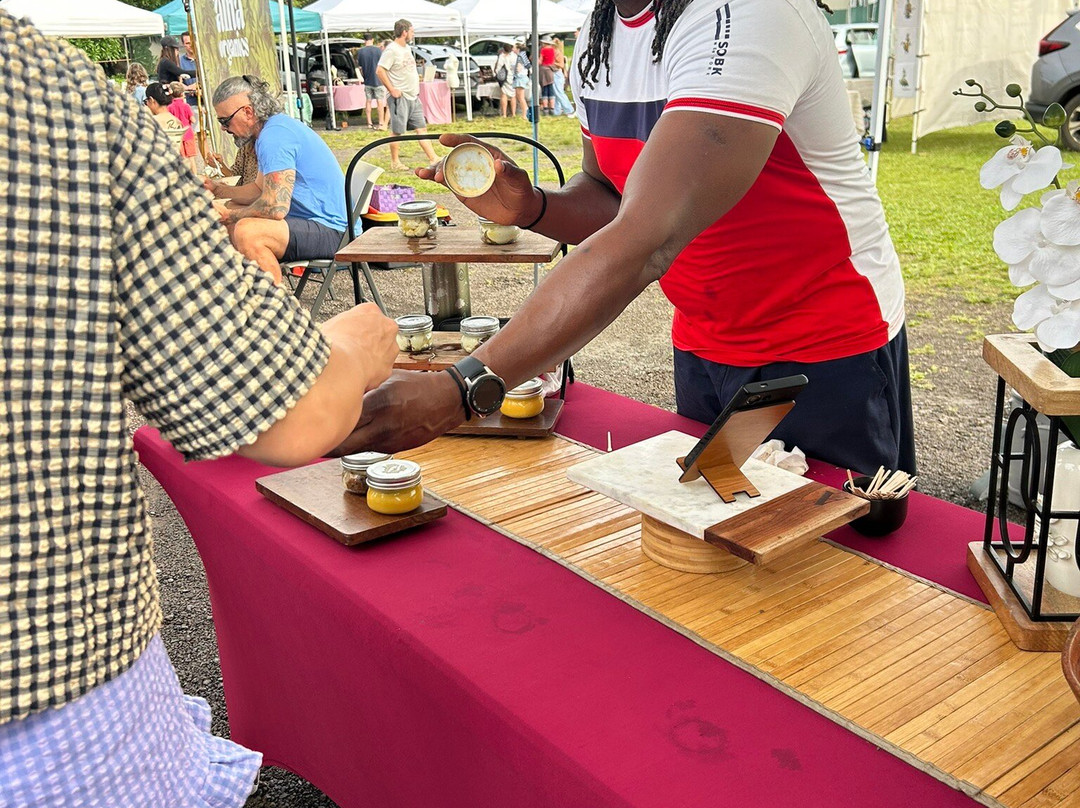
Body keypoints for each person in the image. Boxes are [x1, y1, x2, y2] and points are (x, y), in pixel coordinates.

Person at [0, 11, 400, 806]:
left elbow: (272, 202)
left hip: (323, 232)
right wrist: (344, 353)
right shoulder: (48, 96)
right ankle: (269, 327)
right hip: (62, 718)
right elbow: (289, 422)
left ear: (250, 109)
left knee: (250, 232)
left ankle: (273, 316)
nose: (229, 126)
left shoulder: (276, 134)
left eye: (231, 118)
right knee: (239, 227)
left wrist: (221, 207)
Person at [333, 0, 916, 480]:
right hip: (705, 339)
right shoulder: (599, 32)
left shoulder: (752, 14)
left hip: (825, 343)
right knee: (722, 538)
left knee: (834, 566)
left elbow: (647, 237)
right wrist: (532, 207)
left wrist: (464, 388)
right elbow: (612, 201)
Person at [210, 74, 349, 284]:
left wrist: (229, 215)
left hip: (335, 231)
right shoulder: (272, 130)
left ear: (248, 112)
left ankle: (275, 307)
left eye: (224, 121)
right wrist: (218, 191)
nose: (223, 128)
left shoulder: (273, 138)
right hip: (319, 223)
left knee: (248, 231)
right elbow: (258, 191)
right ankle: (250, 291)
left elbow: (275, 208)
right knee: (232, 211)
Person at [376, 19, 439, 171]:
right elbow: (380, 70)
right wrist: (392, 90)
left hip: (413, 96)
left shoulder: (407, 49)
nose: (413, 34)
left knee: (421, 128)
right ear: (404, 32)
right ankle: (395, 162)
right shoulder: (392, 50)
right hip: (400, 97)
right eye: (412, 31)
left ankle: (433, 158)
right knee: (397, 131)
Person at [143, 81, 185, 158]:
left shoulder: (151, 122)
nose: (147, 104)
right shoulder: (177, 121)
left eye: (146, 101)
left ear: (152, 100)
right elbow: (180, 149)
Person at [356, 36, 389, 130]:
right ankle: (381, 122)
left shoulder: (361, 52)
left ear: (364, 41)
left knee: (368, 101)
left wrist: (364, 77)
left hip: (367, 81)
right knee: (380, 102)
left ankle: (369, 123)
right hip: (378, 80)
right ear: (372, 40)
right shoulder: (379, 51)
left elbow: (360, 67)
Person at [168, 80, 198, 173]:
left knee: (182, 158)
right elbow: (193, 120)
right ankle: (195, 176)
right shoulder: (186, 106)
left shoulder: (169, 107)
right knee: (191, 158)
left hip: (177, 135)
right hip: (188, 134)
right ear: (182, 93)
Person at [550, 37, 575, 117]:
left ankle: (569, 109)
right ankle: (557, 111)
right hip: (555, 74)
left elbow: (561, 65)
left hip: (557, 74)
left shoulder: (558, 53)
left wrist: (553, 62)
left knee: (559, 93)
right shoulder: (554, 53)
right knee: (556, 93)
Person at [179, 31, 200, 114]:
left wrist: (197, 85)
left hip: (208, 102)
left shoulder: (204, 60)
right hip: (192, 105)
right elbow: (178, 82)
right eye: (188, 43)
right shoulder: (179, 62)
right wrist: (187, 88)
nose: (191, 45)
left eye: (192, 42)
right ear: (183, 44)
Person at [494, 42, 516, 117]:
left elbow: (498, 68)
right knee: (513, 95)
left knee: (504, 95)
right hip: (512, 77)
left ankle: (504, 114)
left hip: (504, 78)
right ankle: (513, 113)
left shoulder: (501, 56)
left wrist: (498, 75)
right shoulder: (514, 56)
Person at [512, 42, 531, 120]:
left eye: (514, 47)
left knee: (521, 97)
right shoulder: (522, 55)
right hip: (522, 77)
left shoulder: (520, 57)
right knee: (520, 97)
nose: (513, 49)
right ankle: (525, 112)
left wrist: (515, 70)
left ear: (518, 49)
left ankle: (525, 113)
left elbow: (519, 67)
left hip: (520, 77)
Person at [538, 38, 556, 115]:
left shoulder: (543, 50)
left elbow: (540, 61)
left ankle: (545, 108)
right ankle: (552, 108)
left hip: (544, 70)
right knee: (551, 89)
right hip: (551, 70)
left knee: (544, 89)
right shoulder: (553, 50)